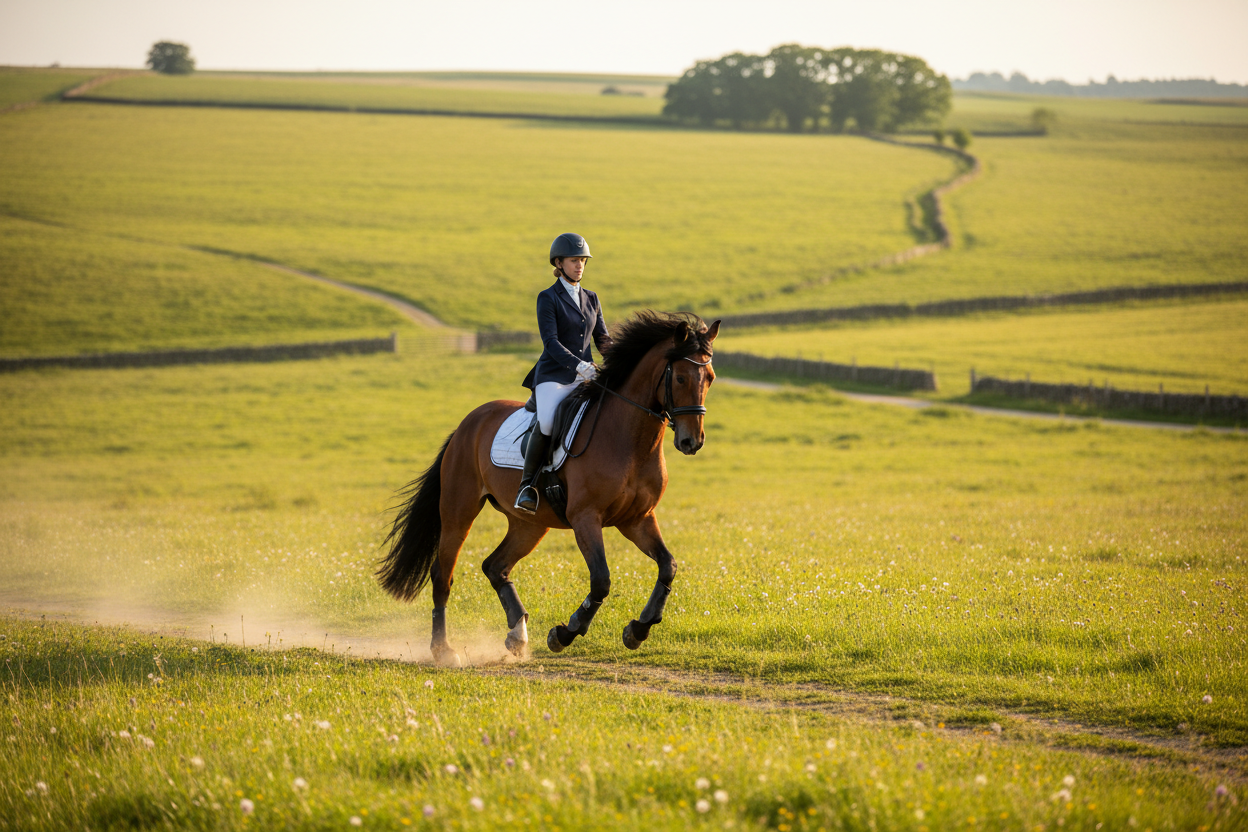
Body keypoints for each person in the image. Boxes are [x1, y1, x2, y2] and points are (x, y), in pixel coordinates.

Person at [515, 233, 613, 514]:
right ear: (559, 263)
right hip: (553, 376)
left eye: (582, 260)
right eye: (574, 260)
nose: (580, 265)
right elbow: (551, 342)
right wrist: (579, 366)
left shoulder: (592, 298)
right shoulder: (548, 297)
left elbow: (602, 339)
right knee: (547, 421)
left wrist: (620, 360)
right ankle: (527, 486)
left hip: (585, 376)